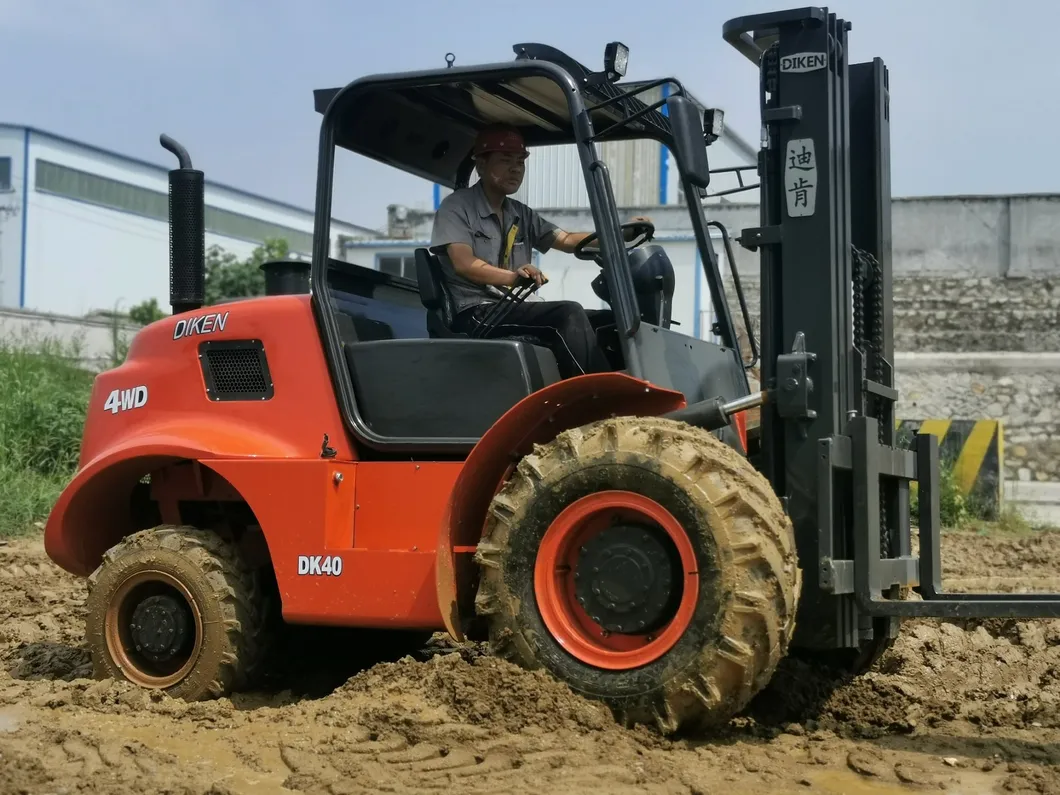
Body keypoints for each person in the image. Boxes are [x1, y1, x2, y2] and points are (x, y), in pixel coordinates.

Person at [429, 124, 648, 378]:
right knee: (568, 313)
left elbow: (566, 239)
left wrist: (619, 234)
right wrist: (513, 278)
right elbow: (463, 264)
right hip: (476, 311)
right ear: (480, 165)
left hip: (512, 306)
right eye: (505, 160)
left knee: (610, 321)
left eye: (520, 162)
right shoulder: (456, 208)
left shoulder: (520, 213)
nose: (515, 168)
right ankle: (596, 398)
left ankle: (631, 389)